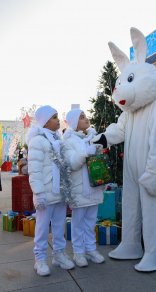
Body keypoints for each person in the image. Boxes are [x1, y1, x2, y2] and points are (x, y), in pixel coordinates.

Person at [26, 105, 75, 277]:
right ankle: (39, 259)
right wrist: (38, 193)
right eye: (54, 117)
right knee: (42, 228)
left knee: (59, 224)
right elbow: (34, 170)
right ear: (45, 121)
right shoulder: (38, 141)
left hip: (59, 192)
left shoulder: (57, 140)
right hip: (46, 193)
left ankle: (59, 254)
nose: (58, 120)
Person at [63, 108, 105, 267]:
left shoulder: (92, 137)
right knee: (78, 223)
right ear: (74, 122)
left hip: (94, 186)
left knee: (91, 221)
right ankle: (78, 253)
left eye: (85, 116)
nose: (86, 119)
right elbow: (72, 163)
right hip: (79, 188)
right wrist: (86, 153)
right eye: (81, 117)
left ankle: (91, 249)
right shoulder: (68, 140)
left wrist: (97, 151)